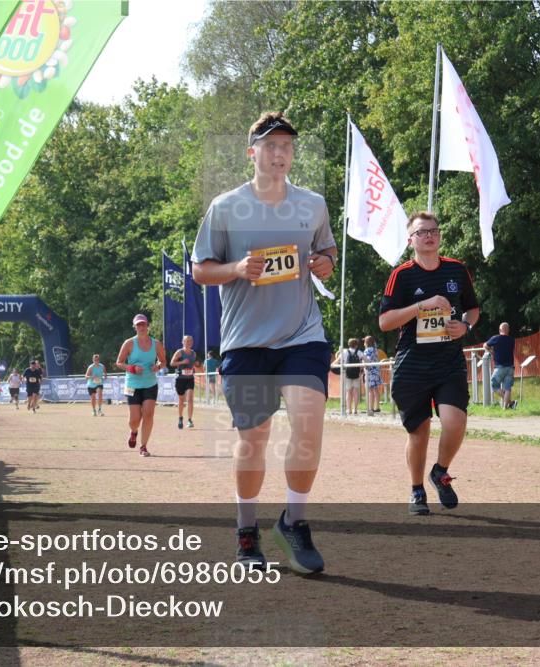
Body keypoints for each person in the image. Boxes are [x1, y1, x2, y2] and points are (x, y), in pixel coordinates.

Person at [192, 111, 337, 575]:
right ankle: (246, 530)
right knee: (253, 440)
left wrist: (325, 262)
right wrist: (236, 269)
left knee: (309, 423)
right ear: (251, 153)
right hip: (246, 343)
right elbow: (200, 270)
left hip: (301, 335)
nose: (280, 153)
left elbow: (327, 250)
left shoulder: (312, 204)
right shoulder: (225, 208)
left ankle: (294, 521)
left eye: (287, 146)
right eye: (271, 146)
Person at [378, 211, 480, 516]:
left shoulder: (456, 270)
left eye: (433, 230)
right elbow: (385, 322)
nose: (429, 236)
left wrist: (465, 326)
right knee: (419, 432)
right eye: (421, 232)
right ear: (411, 240)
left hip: (449, 361)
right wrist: (422, 305)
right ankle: (416, 490)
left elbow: (473, 309)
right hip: (413, 364)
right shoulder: (401, 275)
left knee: (455, 422)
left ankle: (440, 471)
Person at [115, 314, 166, 456]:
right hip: (132, 384)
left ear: (147, 326)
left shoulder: (156, 344)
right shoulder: (129, 343)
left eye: (143, 324)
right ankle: (133, 431)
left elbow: (163, 361)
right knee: (134, 420)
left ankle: (143, 446)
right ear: (135, 327)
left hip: (150, 384)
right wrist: (132, 368)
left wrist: (158, 366)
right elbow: (119, 362)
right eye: (138, 325)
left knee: (148, 415)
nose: (141, 327)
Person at [485, 322, 517, 409]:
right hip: (510, 367)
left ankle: (510, 403)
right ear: (508, 330)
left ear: (499, 330)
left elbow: (485, 345)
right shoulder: (512, 340)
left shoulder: (496, 338)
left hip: (500, 367)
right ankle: (506, 408)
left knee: (494, 385)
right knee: (508, 388)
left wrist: (492, 351)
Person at [170, 335, 197, 429]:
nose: (188, 342)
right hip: (180, 379)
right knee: (181, 400)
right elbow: (172, 363)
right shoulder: (179, 352)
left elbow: (192, 364)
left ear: (192, 342)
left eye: (190, 341)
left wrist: (194, 367)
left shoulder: (193, 353)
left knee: (190, 399)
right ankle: (180, 418)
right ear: (183, 342)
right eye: (186, 341)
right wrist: (182, 362)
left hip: (190, 378)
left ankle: (189, 420)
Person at [333, 338, 363, 415]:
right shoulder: (359, 352)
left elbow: (337, 361)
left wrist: (331, 365)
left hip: (347, 374)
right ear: (356, 345)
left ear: (349, 344)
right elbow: (366, 360)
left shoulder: (345, 352)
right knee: (356, 392)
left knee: (348, 392)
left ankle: (349, 409)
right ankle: (355, 409)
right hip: (356, 374)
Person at [363, 335, 384, 414]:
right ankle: (377, 407)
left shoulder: (367, 351)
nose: (363, 343)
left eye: (364, 342)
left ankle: (370, 408)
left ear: (366, 342)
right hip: (376, 371)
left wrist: (364, 366)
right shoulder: (375, 350)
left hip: (370, 372)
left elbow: (367, 360)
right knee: (376, 389)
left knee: (370, 390)